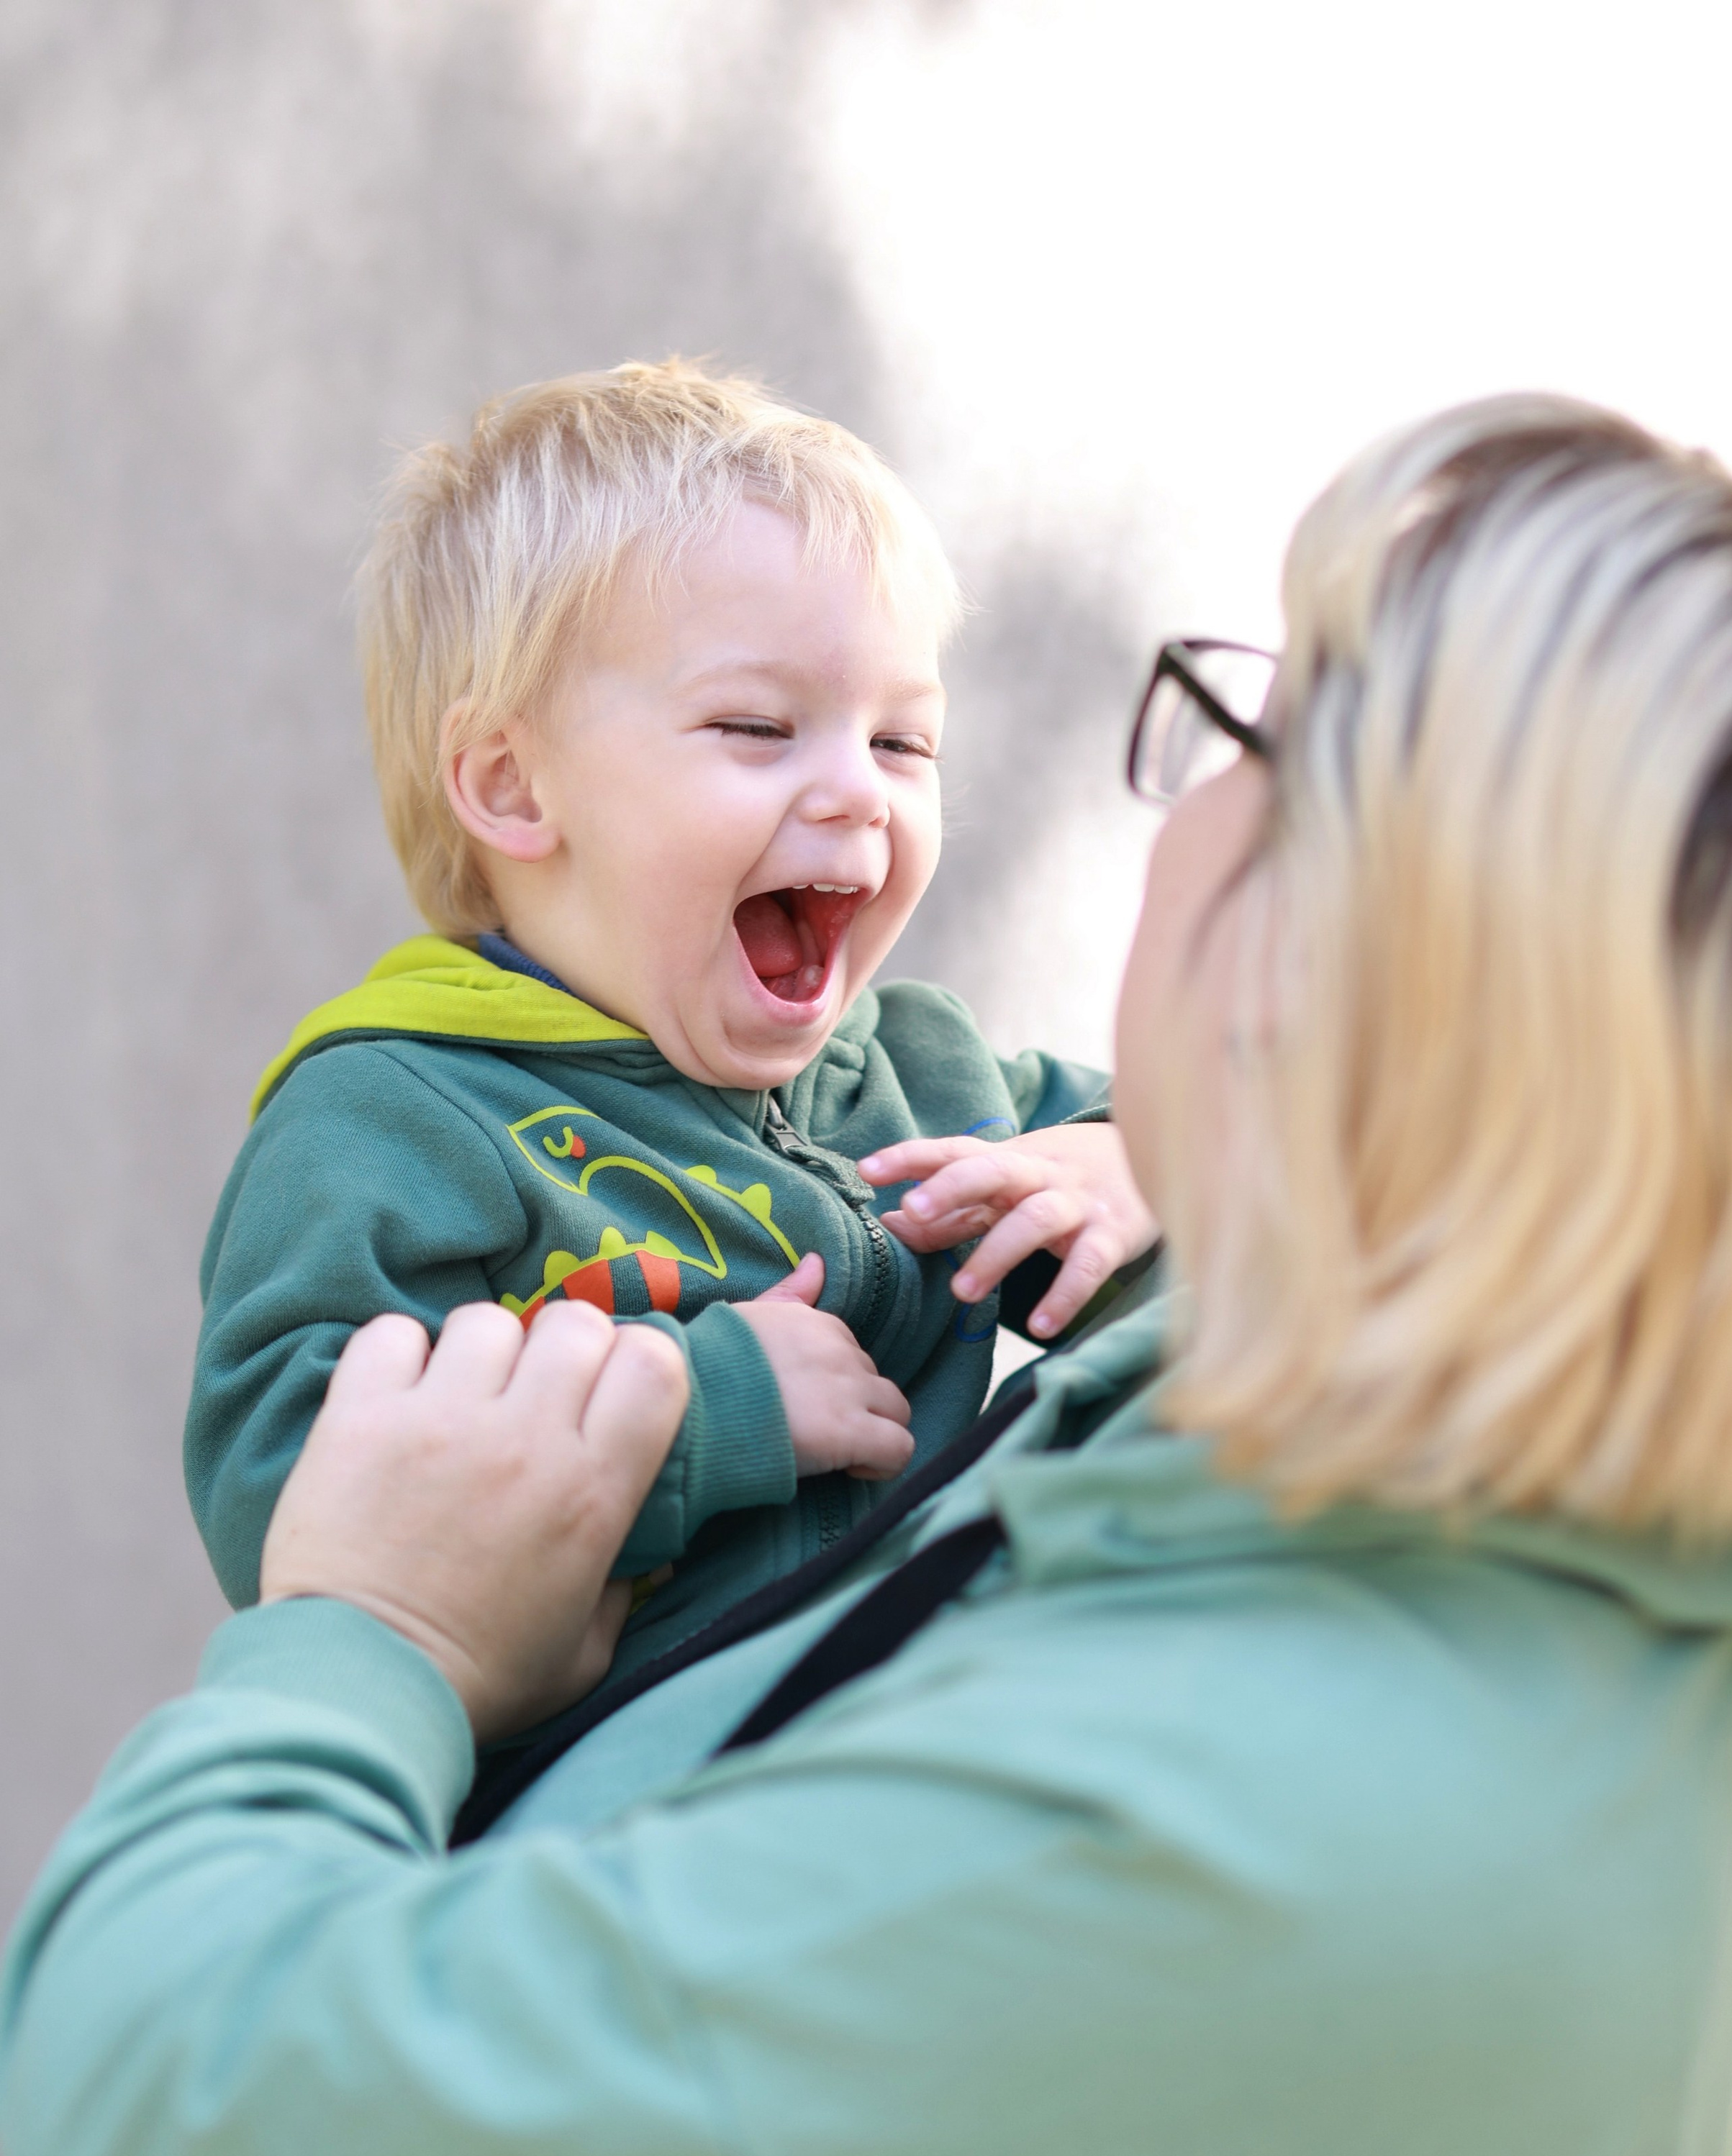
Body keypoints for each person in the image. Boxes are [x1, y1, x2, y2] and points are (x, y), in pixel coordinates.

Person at [8, 393, 1732, 2156]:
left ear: (1373, 957)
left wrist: (366, 1639)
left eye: (1255, 733)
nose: (1174, 806)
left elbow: (169, 2131)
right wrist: (1206, 1200)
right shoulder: (1418, 1485)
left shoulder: (1233, 1839)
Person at [183, 358, 1156, 1682]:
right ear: (516, 788)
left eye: (902, 743)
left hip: (926, 1737)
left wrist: (1132, 1158)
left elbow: (1264, 1174)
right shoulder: (398, 1118)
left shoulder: (927, 1072)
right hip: (602, 1811)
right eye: (760, 726)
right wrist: (703, 1413)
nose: (860, 794)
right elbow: (285, 1480)